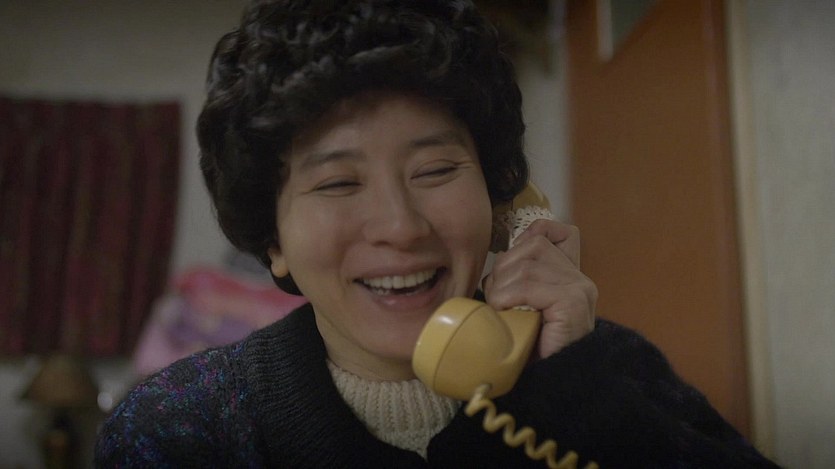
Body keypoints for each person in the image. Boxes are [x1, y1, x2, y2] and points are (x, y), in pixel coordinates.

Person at [95, 1, 779, 467]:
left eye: (436, 170)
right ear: (273, 239)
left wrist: (573, 390)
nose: (400, 226)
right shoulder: (180, 429)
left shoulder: (614, 372)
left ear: (503, 202)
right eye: (338, 183)